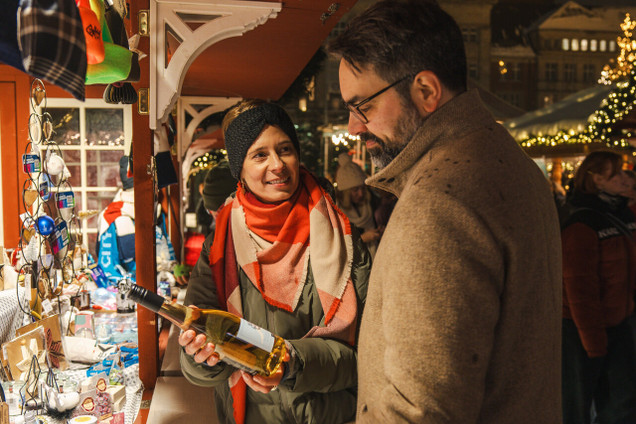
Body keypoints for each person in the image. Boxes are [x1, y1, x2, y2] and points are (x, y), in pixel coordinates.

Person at [328, 1, 562, 422]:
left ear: (426, 91)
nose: (353, 126)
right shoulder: (513, 162)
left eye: (362, 105)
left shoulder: (438, 202)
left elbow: (422, 411)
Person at [178, 100, 371, 424]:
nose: (278, 164)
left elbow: (369, 355)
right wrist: (200, 357)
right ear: (239, 167)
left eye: (285, 149)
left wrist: (293, 362)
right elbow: (201, 356)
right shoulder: (220, 246)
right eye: (260, 155)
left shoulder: (344, 239)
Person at [560, 151, 636, 424]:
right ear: (597, 181)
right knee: (576, 405)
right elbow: (579, 288)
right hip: (581, 330)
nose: (626, 177)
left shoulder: (622, 212)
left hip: (619, 323)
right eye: (616, 173)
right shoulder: (582, 223)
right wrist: (594, 342)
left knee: (624, 401)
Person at [96, 155, 175, 283]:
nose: (155, 192)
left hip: (162, 286)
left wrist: (174, 272)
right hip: (130, 294)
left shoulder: (157, 213)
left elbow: (167, 249)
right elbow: (107, 267)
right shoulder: (111, 217)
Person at [335, 153, 383, 257]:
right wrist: (363, 239)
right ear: (345, 192)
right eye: (355, 190)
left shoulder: (372, 203)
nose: (361, 193)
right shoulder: (335, 212)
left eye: (362, 188)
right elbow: (336, 247)